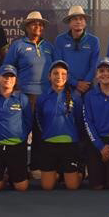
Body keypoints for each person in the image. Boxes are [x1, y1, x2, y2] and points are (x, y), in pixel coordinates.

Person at [3, 11, 58, 179]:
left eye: (40, 24)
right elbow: (7, 68)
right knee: (20, 133)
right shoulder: (18, 46)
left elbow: (56, 70)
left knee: (41, 133)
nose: (38, 27)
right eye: (34, 23)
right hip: (24, 97)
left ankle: (36, 167)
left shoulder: (49, 47)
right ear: (26, 27)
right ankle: (15, 168)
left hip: (45, 97)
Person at [0, 64, 33, 192]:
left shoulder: (22, 99)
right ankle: (1, 176)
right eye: (5, 76)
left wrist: (21, 136)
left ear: (15, 80)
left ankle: (12, 176)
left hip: (17, 147)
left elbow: (28, 121)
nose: (8, 79)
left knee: (22, 188)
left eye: (11, 77)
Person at [35, 60, 84, 190]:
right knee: (47, 187)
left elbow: (79, 120)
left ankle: (78, 172)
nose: (59, 76)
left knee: (72, 186)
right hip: (49, 144)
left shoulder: (76, 96)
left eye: (63, 74)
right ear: (49, 76)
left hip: (70, 145)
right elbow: (39, 119)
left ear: (67, 77)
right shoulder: (42, 97)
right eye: (55, 73)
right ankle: (57, 174)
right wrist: (46, 134)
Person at [82, 57, 109, 190]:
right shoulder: (89, 96)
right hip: (96, 143)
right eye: (101, 71)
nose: (105, 74)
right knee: (97, 186)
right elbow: (88, 122)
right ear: (96, 75)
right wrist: (100, 146)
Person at [55, 5, 100, 95]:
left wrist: (85, 83)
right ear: (69, 22)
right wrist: (75, 83)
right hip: (67, 85)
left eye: (81, 19)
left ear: (85, 22)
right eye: (74, 19)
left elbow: (94, 65)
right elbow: (59, 65)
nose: (78, 21)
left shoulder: (94, 41)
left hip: (88, 86)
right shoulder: (60, 40)